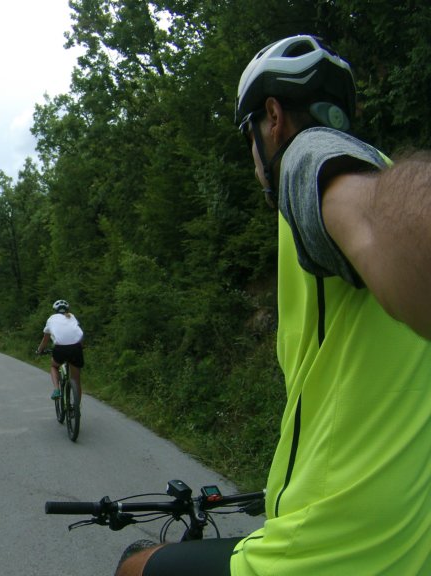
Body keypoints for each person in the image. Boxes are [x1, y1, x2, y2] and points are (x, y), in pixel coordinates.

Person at [117, 35, 431, 575]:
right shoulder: (377, 172)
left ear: (273, 118)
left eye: (249, 135)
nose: (253, 154)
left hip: (334, 550)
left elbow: (383, 225)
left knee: (134, 566)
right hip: (411, 548)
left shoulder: (308, 158)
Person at [36, 299, 84, 410]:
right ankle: (76, 407)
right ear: (67, 309)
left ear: (55, 310)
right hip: (76, 348)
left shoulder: (51, 319)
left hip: (60, 349)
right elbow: (79, 334)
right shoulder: (72, 317)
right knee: (76, 380)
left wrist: (39, 351)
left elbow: (45, 340)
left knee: (54, 366)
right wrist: (81, 346)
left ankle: (57, 389)